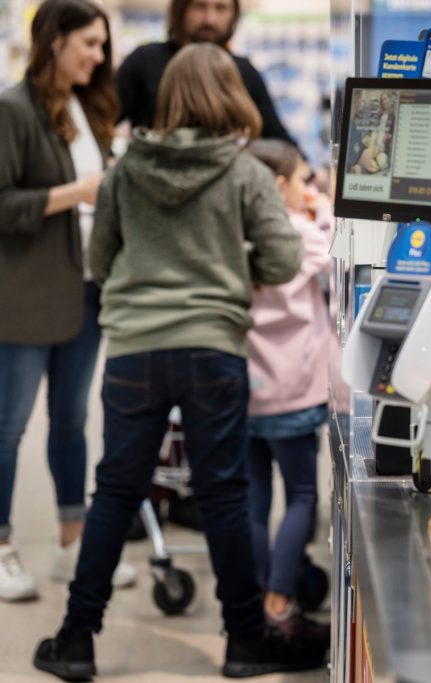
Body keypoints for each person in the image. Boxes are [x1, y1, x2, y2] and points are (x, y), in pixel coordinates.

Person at [33, 43, 327, 681]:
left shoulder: (123, 172)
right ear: (231, 96)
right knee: (224, 494)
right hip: (213, 351)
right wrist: (228, 266)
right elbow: (282, 261)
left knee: (116, 491)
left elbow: (99, 261)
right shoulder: (245, 173)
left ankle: (76, 639)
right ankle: (245, 641)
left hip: (133, 351)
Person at [0, 0, 135, 603]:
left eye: (103, 45)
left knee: (72, 420)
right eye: (89, 44)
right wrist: (74, 192)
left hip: (87, 288)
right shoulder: (12, 109)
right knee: (8, 427)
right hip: (26, 296)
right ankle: (2, 545)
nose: (99, 57)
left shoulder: (87, 107)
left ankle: (71, 542)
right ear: (55, 41)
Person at [243, 139, 331, 636]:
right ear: (279, 186)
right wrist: (325, 208)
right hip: (293, 389)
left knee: (254, 498)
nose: (308, 188)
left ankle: (259, 598)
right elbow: (339, 249)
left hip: (246, 390)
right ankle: (280, 603)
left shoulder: (235, 229)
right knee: (300, 495)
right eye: (302, 180)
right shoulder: (298, 232)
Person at [116, 0, 293, 144]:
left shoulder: (244, 71)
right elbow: (105, 119)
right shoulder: (145, 61)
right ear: (181, 9)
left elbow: (279, 140)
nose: (210, 19)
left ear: (234, 14)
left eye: (221, 8)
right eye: (199, 6)